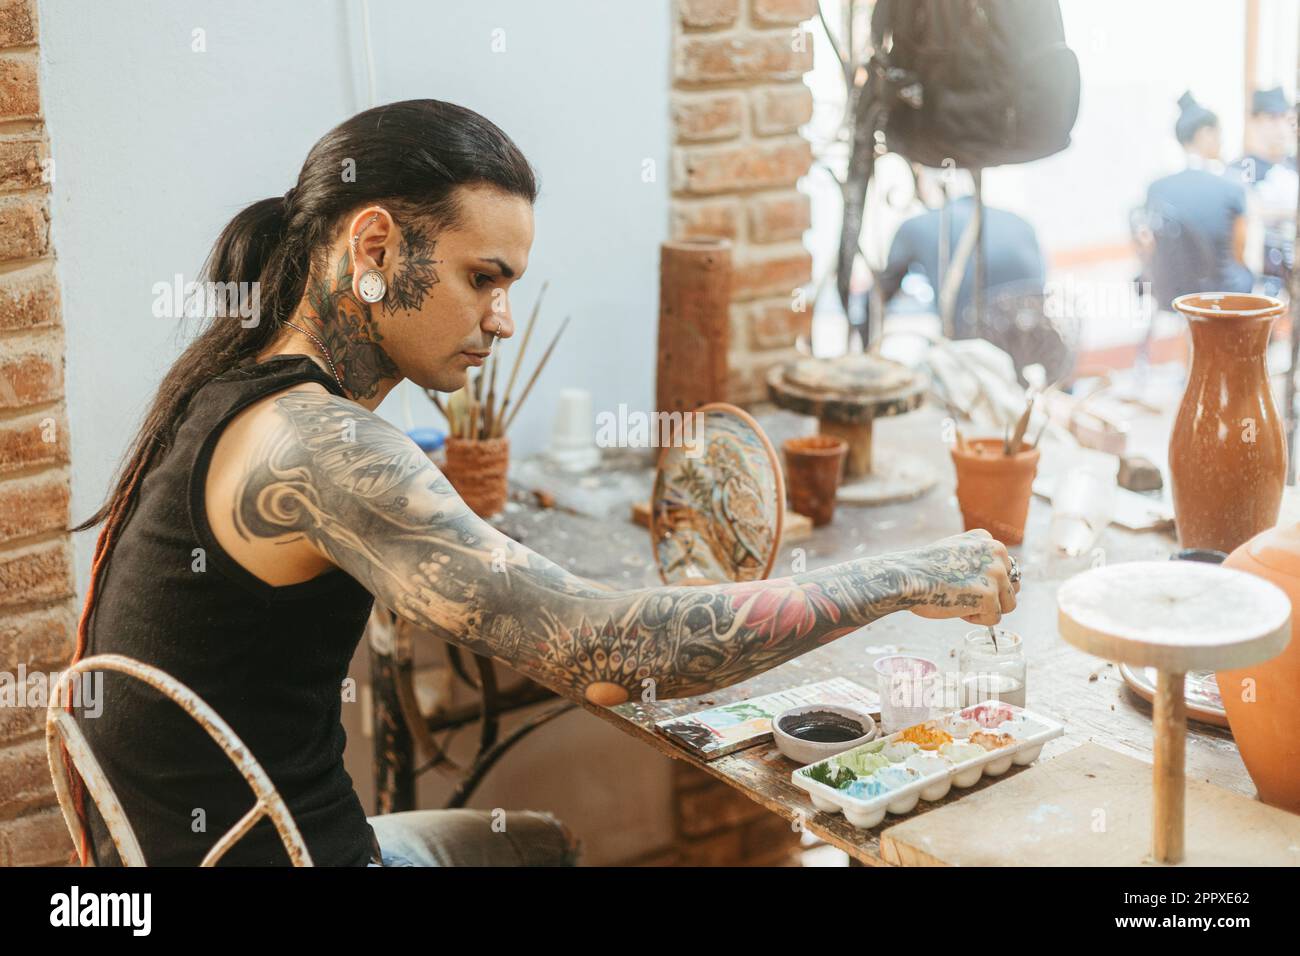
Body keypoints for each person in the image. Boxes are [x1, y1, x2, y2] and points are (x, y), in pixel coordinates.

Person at [70, 100, 1018, 867]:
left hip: (174, 851)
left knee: (534, 846)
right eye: (483, 278)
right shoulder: (319, 445)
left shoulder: (236, 387)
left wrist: (558, 604)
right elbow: (611, 658)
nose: (503, 319)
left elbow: (567, 635)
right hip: (285, 854)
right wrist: (910, 577)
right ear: (373, 250)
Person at [875, 170, 1046, 340]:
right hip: (1035, 341)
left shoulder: (916, 226)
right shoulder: (1019, 221)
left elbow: (882, 292)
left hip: (969, 343)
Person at [1141, 92, 1253, 309]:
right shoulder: (1231, 186)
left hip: (1170, 292)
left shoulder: (1156, 188)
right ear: (1205, 134)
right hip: (1223, 293)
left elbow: (1149, 244)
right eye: (1219, 134)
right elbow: (1240, 250)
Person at [1226, 87, 1297, 296]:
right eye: (1272, 118)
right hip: (1256, 281)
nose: (1280, 126)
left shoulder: (1293, 166)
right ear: (1255, 121)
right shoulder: (1239, 170)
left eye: (1285, 117)